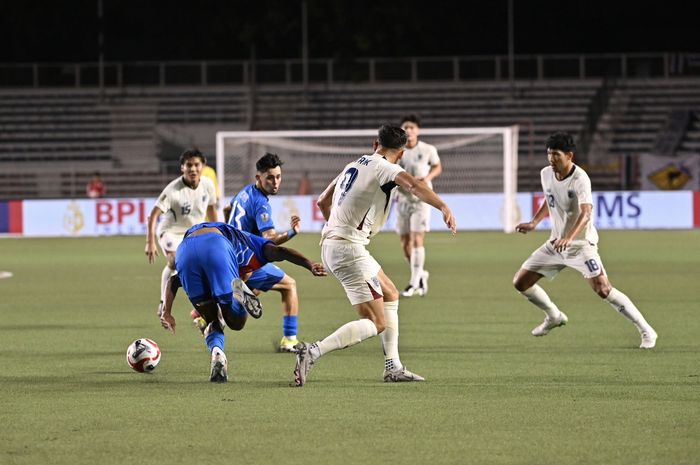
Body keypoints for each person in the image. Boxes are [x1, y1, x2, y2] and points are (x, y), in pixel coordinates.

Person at [292, 125, 457, 387]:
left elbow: (323, 201)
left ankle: (393, 366)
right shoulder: (386, 167)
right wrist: (443, 206)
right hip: (349, 249)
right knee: (375, 322)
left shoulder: (352, 165)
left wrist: (339, 233)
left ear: (374, 143)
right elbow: (414, 185)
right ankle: (313, 350)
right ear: (401, 154)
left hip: (333, 244)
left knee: (390, 293)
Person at [513, 132, 658, 349]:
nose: (552, 159)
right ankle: (554, 316)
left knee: (603, 289)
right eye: (549, 154)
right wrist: (534, 223)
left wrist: (569, 238)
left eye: (556, 155)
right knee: (521, 282)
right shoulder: (546, 173)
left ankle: (647, 330)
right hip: (555, 244)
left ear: (569, 155)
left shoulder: (580, 179)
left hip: (581, 246)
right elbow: (549, 198)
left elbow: (586, 213)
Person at [159, 221, 326, 382]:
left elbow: (173, 281)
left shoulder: (218, 231)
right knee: (236, 323)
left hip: (184, 250)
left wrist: (167, 312)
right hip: (216, 246)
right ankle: (239, 298)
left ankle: (217, 353)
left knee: (211, 320)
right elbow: (280, 250)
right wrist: (309, 264)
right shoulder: (249, 240)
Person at [221, 153, 305, 353]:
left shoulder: (244, 192)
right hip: (246, 261)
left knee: (254, 289)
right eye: (270, 177)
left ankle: (203, 314)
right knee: (289, 285)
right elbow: (269, 239)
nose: (275, 182)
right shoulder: (261, 203)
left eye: (278, 177)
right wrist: (292, 232)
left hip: (228, 256)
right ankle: (290, 340)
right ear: (258, 177)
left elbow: (227, 208)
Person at [145, 149, 217, 315]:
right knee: (174, 261)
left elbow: (212, 210)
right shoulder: (172, 190)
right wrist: (150, 242)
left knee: (207, 265)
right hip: (171, 232)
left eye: (196, 165)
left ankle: (203, 304)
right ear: (182, 168)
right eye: (189, 165)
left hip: (194, 233)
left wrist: (218, 233)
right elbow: (154, 215)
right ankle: (164, 302)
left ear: (203, 166)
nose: (193, 169)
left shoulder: (208, 185)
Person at [395, 114, 442, 297]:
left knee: (416, 240)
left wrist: (428, 178)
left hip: (421, 200)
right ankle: (421, 274)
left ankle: (413, 284)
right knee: (405, 243)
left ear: (418, 130)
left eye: (412, 127)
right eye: (405, 127)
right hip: (403, 200)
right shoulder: (398, 151)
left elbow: (437, 166)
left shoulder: (428, 149)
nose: (409, 130)